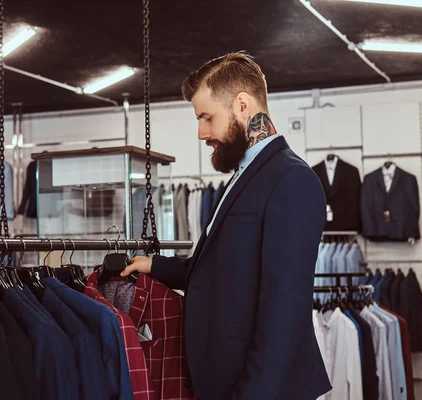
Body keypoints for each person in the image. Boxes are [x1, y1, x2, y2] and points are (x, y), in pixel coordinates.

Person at [122, 52, 331, 399]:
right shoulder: (243, 175)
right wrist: (155, 266)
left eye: (207, 117)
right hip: (225, 379)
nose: (202, 132)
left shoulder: (293, 180)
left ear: (243, 106)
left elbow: (284, 312)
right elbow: (218, 269)